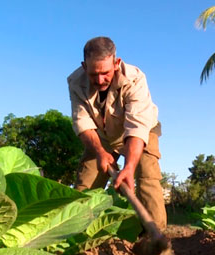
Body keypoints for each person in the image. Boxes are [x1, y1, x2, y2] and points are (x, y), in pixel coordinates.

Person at [68, 36, 166, 230]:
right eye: (93, 74)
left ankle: (155, 236)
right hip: (101, 136)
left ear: (116, 63)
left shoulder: (135, 79)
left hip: (142, 131)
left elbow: (136, 127)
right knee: (85, 185)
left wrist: (129, 167)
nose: (99, 80)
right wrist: (100, 152)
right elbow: (82, 123)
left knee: (147, 176)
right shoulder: (75, 82)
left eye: (105, 73)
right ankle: (74, 234)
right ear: (84, 66)